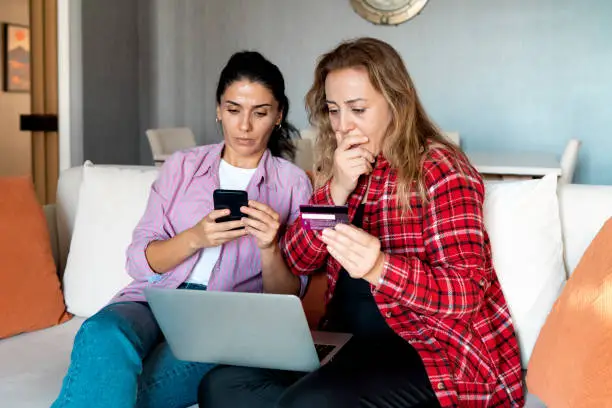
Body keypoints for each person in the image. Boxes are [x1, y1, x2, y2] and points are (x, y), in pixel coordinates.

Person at [197, 38, 525, 408]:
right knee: (222, 385)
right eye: (334, 110)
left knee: (311, 403)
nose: (343, 126)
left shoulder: (440, 170)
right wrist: (337, 188)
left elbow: (464, 294)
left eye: (357, 109)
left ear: (396, 104)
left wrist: (379, 267)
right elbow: (296, 261)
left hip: (428, 350)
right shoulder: (339, 166)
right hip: (346, 344)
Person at [51, 51, 312, 408]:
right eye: (233, 110)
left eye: (260, 112)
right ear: (218, 109)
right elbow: (139, 261)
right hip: (152, 298)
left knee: (114, 386)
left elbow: (289, 296)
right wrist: (195, 238)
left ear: (279, 115)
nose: (245, 126)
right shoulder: (182, 166)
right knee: (101, 333)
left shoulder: (293, 184)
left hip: (219, 322)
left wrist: (269, 248)